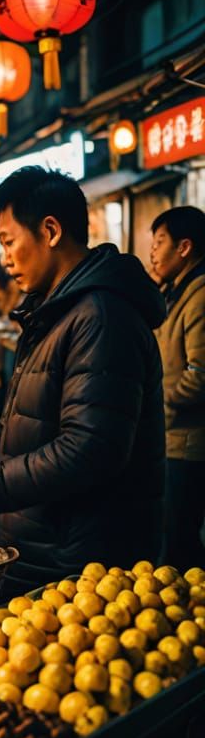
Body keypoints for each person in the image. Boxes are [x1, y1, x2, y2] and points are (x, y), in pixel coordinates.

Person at [0, 167, 165, 592]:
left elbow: (89, 448)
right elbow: (36, 419)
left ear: (50, 231)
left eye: (9, 241)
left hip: (81, 564)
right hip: (46, 544)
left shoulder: (102, 317)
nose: (4, 258)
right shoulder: (56, 311)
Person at [148, 206, 205, 568]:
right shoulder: (177, 291)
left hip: (186, 444)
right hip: (172, 438)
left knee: (178, 539)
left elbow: (200, 375)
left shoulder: (200, 296)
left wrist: (158, 404)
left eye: (159, 242)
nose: (152, 251)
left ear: (184, 247)